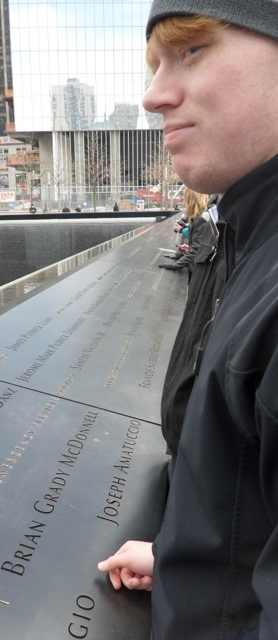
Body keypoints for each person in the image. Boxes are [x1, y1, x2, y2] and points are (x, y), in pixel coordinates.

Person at [98, 2, 278, 638]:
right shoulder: (249, 242)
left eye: (192, 51)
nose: (153, 96)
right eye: (155, 65)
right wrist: (185, 561)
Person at [158, 187, 210, 273]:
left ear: (191, 200)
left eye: (185, 197)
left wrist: (176, 265)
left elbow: (196, 251)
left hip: (199, 270)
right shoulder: (202, 215)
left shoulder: (202, 219)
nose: (183, 199)